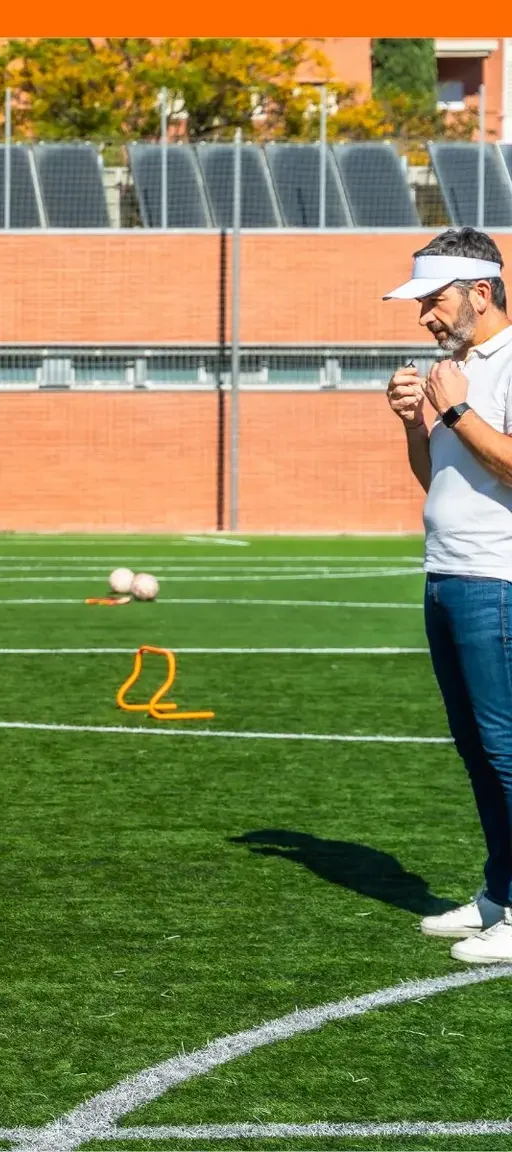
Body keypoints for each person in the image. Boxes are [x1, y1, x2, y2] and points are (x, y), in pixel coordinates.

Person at [384, 227, 512, 964]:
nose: (425, 317)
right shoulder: (455, 371)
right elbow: (437, 480)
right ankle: (499, 893)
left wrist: (459, 411)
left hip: (498, 580)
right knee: (477, 750)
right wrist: (416, 423)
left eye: (433, 301)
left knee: (505, 750)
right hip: (449, 574)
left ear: (480, 293)